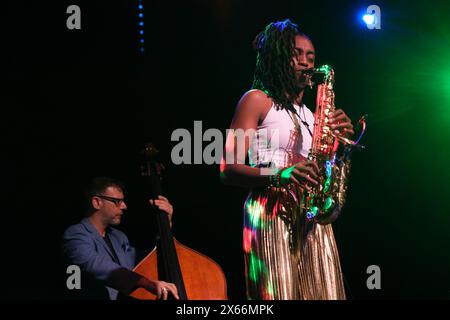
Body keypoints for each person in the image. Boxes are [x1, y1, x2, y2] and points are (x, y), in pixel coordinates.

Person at [220, 19, 354, 300]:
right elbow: (227, 168)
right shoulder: (256, 100)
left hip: (310, 215)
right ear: (278, 57)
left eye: (311, 57)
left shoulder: (312, 116)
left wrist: (340, 146)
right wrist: (280, 174)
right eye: (297, 54)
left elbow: (323, 171)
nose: (306, 63)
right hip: (270, 211)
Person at [62, 176, 179, 300]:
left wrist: (166, 223)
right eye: (117, 201)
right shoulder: (75, 235)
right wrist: (146, 283)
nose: (124, 206)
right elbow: (97, 266)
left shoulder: (118, 237)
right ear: (97, 202)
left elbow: (145, 261)